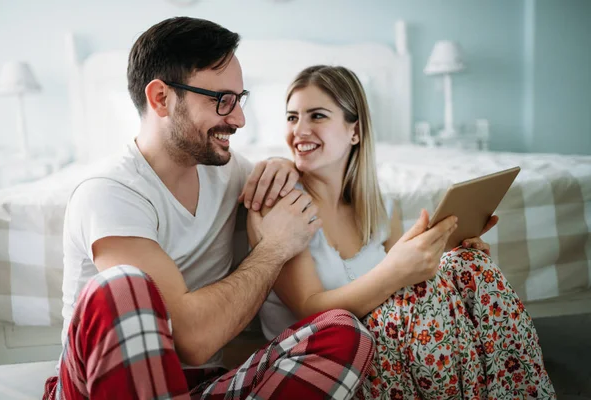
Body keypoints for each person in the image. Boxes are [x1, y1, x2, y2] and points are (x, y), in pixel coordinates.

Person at [43, 19, 375, 400]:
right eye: (222, 101)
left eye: (239, 98)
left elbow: (282, 183)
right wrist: (274, 248)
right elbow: (192, 341)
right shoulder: (110, 192)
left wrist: (282, 166)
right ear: (161, 99)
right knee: (125, 286)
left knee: (343, 331)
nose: (238, 119)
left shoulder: (230, 172)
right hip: (103, 385)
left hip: (202, 387)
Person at [256, 65, 556, 399]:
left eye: (317, 116)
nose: (300, 130)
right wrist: (398, 270)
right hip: (330, 359)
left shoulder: (379, 204)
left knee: (470, 265)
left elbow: (403, 286)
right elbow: (310, 310)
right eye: (292, 117)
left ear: (354, 131)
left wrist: (441, 252)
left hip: (393, 347)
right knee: (431, 296)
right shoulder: (282, 203)